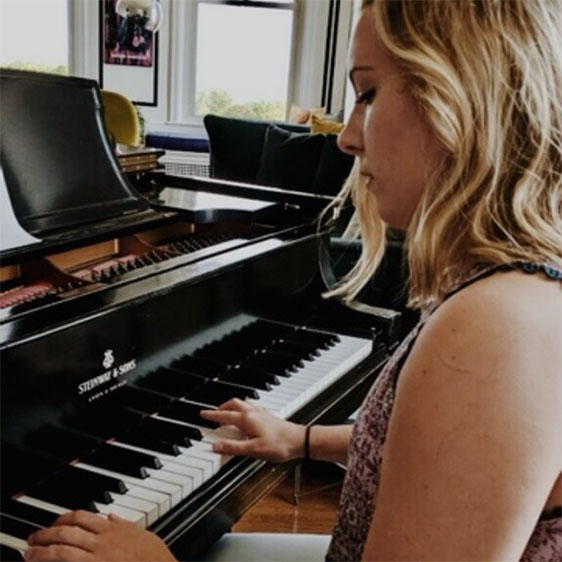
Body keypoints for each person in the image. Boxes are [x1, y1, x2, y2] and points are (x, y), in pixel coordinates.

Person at [24, 0, 561, 560]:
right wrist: (303, 439)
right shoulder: (512, 288)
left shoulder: (498, 327)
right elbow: (449, 459)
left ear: (459, 97)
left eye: (368, 94)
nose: (348, 139)